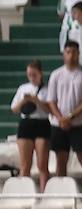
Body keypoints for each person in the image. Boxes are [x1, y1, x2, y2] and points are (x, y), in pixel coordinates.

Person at [45, 42, 82, 183]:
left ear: (79, 54)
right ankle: (61, 196)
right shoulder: (56, 74)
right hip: (59, 125)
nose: (71, 55)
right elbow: (51, 101)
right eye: (68, 52)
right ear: (64, 54)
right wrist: (61, 118)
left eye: (74, 52)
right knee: (61, 161)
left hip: (79, 125)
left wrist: (70, 117)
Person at [11, 60, 50, 189]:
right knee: (25, 164)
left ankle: (44, 193)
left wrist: (37, 100)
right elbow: (14, 108)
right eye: (29, 75)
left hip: (41, 123)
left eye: (34, 74)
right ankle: (24, 193)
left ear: (40, 74)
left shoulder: (46, 89)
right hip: (26, 123)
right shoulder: (23, 88)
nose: (32, 77)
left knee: (42, 165)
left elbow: (50, 110)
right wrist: (24, 100)